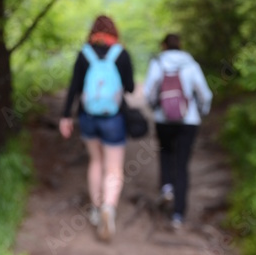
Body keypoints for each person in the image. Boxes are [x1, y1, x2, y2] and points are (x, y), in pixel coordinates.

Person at [59, 15, 135, 243]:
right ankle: (109, 208)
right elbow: (130, 87)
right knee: (113, 168)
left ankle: (95, 208)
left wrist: (65, 116)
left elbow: (73, 87)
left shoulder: (84, 54)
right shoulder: (121, 53)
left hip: (88, 116)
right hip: (113, 117)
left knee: (96, 162)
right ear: (114, 31)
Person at [143, 33, 212, 230]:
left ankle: (166, 188)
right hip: (188, 121)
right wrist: (200, 111)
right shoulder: (191, 65)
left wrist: (155, 108)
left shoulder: (158, 63)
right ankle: (178, 215)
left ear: (163, 45)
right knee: (182, 164)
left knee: (165, 152)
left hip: (163, 119)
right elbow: (205, 94)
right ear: (180, 45)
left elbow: (149, 92)